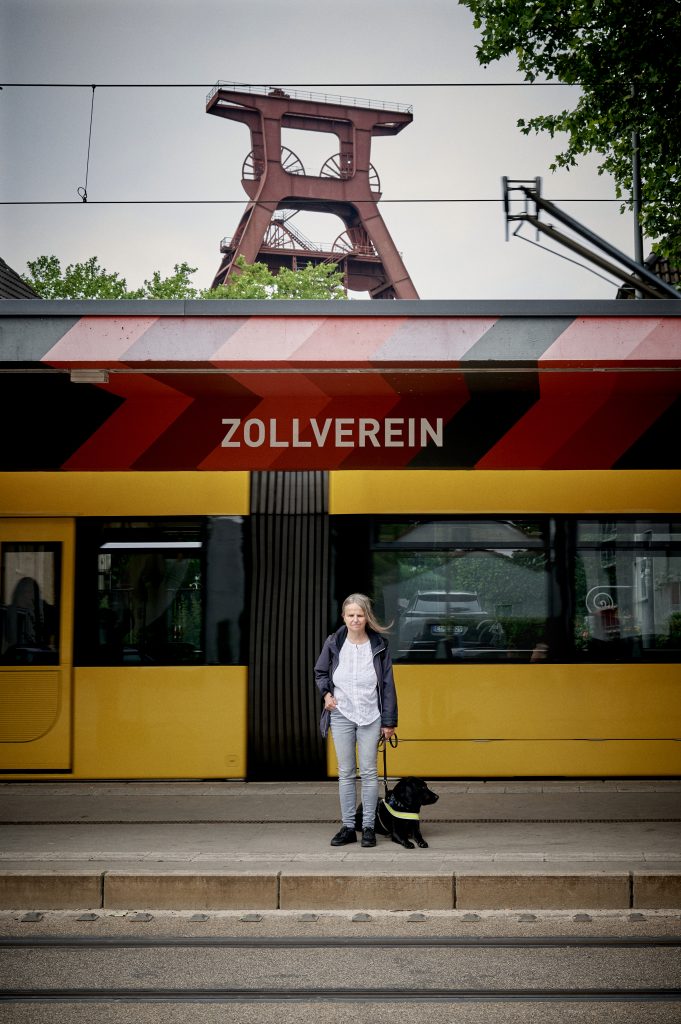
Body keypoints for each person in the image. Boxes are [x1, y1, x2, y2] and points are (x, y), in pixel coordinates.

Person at [314, 593, 398, 849]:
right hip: (341, 713)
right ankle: (349, 827)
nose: (355, 619)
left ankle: (369, 827)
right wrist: (327, 694)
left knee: (370, 772)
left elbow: (387, 685)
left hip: (371, 715)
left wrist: (389, 721)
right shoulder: (334, 643)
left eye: (360, 615)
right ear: (343, 617)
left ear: (367, 617)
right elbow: (320, 672)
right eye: (350, 615)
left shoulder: (379, 645)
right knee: (346, 772)